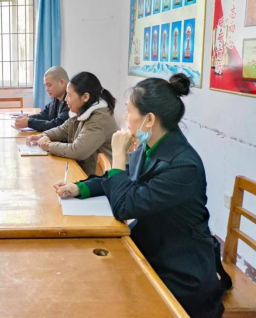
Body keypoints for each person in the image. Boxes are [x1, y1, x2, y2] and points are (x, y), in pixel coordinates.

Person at [54, 74, 228, 318]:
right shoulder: (151, 145)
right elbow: (123, 178)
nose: (125, 118)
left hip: (180, 272)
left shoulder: (183, 165)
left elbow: (125, 206)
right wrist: (81, 188)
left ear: (149, 119)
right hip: (151, 248)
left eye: (129, 112)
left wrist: (118, 155)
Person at [26, 72, 118, 176]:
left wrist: (48, 145)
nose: (66, 99)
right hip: (87, 173)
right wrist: (44, 135)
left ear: (85, 97)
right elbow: (63, 130)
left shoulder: (99, 119)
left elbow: (77, 150)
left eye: (69, 95)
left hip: (102, 180)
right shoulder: (82, 110)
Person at [14, 66, 70, 131]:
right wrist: (26, 119)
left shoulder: (71, 102)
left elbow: (56, 125)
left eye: (49, 85)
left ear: (62, 82)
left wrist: (29, 122)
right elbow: (43, 115)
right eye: (45, 86)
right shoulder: (56, 100)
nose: (46, 89)